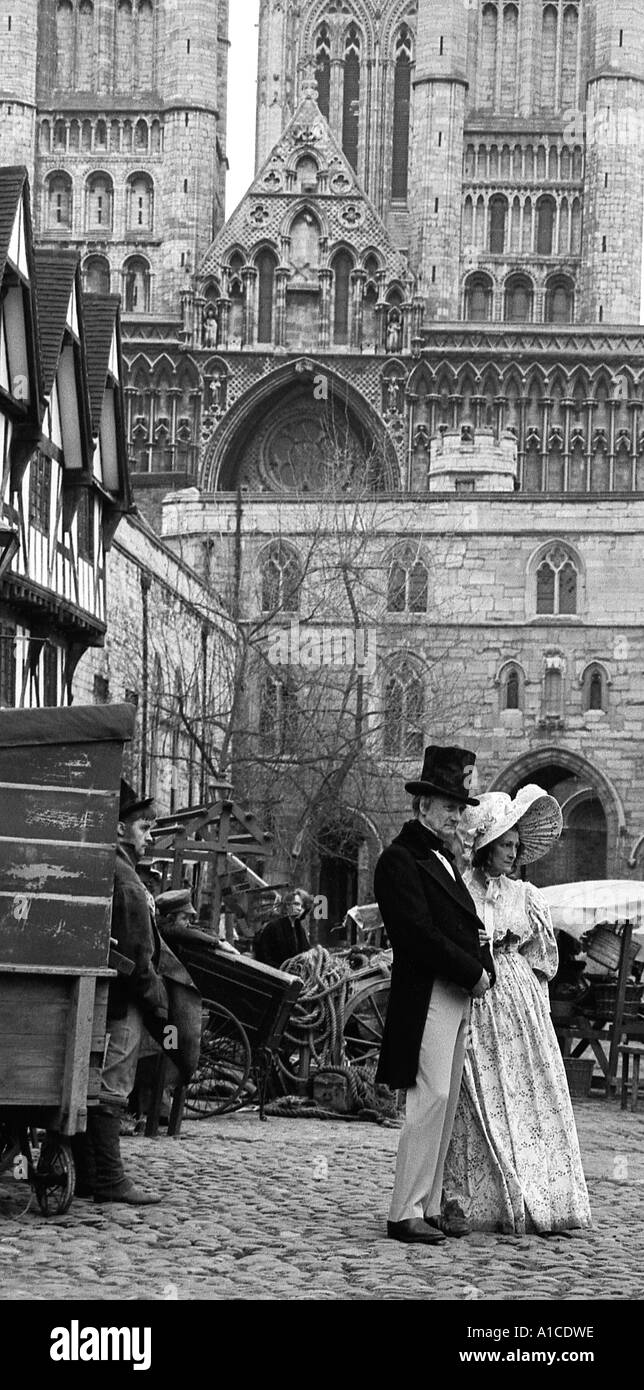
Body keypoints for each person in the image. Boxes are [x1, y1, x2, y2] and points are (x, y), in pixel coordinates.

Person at [443, 786, 592, 1235]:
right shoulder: (459, 889)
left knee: (531, 1092)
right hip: (476, 995)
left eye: (515, 845)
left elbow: (545, 959)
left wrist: (520, 978)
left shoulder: (525, 894)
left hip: (520, 1007)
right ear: (486, 844)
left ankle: (542, 1196)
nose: (513, 852)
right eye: (505, 843)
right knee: (476, 1098)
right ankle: (476, 1202)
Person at [374, 745, 495, 1245]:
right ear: (422, 805)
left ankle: (426, 1203)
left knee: (444, 1104)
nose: (455, 815)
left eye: (459, 807)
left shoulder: (441, 858)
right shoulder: (400, 860)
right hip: (427, 992)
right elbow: (417, 936)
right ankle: (404, 1210)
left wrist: (479, 961)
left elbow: (457, 926)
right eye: (447, 805)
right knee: (431, 1099)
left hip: (454, 993)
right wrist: (472, 970)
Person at [73, 781, 201, 1204]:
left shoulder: (118, 870)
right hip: (125, 1000)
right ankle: (108, 1179)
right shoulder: (125, 878)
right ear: (119, 830)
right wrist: (158, 1004)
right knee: (113, 1084)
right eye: (144, 828)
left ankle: (91, 1175)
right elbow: (136, 953)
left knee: (99, 1082)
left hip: (117, 995)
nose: (149, 837)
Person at [253, 887, 312, 969]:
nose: (299, 909)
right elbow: (263, 956)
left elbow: (307, 953)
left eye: (303, 907)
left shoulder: (300, 930)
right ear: (287, 905)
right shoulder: (273, 926)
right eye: (296, 904)